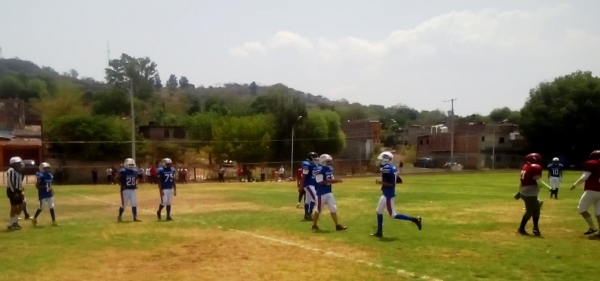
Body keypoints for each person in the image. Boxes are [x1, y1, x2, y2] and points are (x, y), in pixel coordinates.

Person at [371, 152, 422, 238]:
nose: (380, 162)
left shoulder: (386, 169)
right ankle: (379, 232)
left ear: (385, 159)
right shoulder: (392, 167)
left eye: (381, 160)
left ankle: (415, 219)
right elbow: (399, 180)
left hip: (388, 195)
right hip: (386, 194)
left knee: (393, 215)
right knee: (379, 211)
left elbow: (391, 184)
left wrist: (380, 182)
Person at [515, 153, 552, 236]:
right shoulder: (534, 167)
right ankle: (521, 228)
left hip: (527, 192)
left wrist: (519, 191)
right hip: (530, 194)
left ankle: (535, 228)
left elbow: (521, 182)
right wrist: (551, 189)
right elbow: (539, 182)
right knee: (530, 211)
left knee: (537, 210)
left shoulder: (526, 167)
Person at [312, 154, 347, 231]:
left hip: (329, 192)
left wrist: (336, 181)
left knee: (333, 208)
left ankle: (337, 225)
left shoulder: (329, 169)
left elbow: (331, 180)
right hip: (321, 193)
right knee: (318, 210)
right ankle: (314, 224)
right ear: (322, 161)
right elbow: (320, 182)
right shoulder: (319, 169)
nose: (329, 163)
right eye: (327, 161)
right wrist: (334, 181)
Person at [570, 150, 600, 236]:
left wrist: (575, 184)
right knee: (599, 212)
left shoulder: (592, 163)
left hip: (592, 190)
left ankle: (592, 227)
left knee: (581, 208)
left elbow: (585, 176)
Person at [116, 158, 141, 222]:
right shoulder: (123, 171)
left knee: (134, 203)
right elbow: (116, 178)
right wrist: (122, 185)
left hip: (132, 190)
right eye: (130, 164)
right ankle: (119, 216)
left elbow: (137, 178)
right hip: (125, 190)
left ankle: (135, 217)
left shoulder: (135, 171)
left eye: (132, 164)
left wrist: (136, 183)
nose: (132, 166)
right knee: (124, 204)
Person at [6, 157, 25, 230]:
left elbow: (19, 182)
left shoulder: (19, 171)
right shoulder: (11, 170)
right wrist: (14, 192)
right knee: (14, 207)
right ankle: (11, 224)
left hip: (18, 190)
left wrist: (21, 190)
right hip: (12, 190)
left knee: (21, 206)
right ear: (14, 164)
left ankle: (15, 222)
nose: (20, 164)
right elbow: (10, 182)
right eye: (18, 163)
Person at [301, 152, 319, 220]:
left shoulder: (315, 165)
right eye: (315, 158)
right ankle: (309, 213)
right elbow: (304, 176)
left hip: (312, 184)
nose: (316, 159)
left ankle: (306, 215)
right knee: (315, 198)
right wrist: (301, 185)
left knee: (308, 200)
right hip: (308, 184)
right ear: (311, 158)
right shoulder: (306, 164)